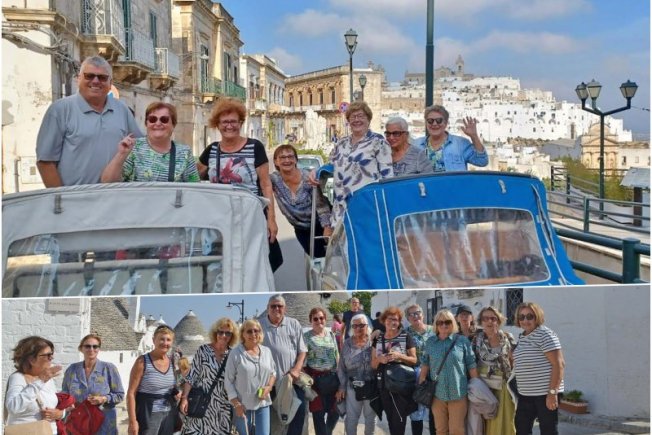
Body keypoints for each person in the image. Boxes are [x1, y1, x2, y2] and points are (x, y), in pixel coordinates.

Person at [197, 97, 282, 271]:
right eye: (224, 122)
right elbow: (192, 177)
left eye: (233, 121)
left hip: (250, 217)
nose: (229, 126)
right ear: (217, 125)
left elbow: (266, 185)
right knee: (224, 264)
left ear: (241, 123)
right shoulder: (212, 150)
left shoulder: (255, 147)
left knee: (253, 263)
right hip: (220, 219)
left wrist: (271, 219)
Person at [36, 55, 142, 187]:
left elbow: (140, 146)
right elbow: (45, 162)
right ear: (79, 79)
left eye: (102, 77)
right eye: (89, 76)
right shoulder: (60, 110)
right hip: (77, 197)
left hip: (114, 195)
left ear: (110, 83)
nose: (96, 81)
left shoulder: (121, 109)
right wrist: (61, 197)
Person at [316, 101, 393, 226]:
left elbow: (387, 176)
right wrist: (316, 173)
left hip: (367, 208)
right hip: (341, 210)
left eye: (361, 116)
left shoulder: (378, 142)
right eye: (353, 117)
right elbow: (329, 167)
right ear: (348, 121)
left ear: (368, 119)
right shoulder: (341, 143)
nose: (357, 120)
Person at [101, 102, 199, 183]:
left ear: (173, 125)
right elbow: (107, 182)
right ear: (146, 123)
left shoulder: (184, 152)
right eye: (152, 119)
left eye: (164, 119)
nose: (158, 123)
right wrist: (121, 154)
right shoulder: (133, 148)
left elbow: (194, 189)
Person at [420, 309, 478, 435]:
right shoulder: (430, 342)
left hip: (458, 393)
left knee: (457, 430)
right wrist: (421, 383)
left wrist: (477, 388)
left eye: (447, 322)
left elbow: (471, 365)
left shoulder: (462, 341)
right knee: (440, 430)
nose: (444, 325)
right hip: (437, 394)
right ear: (436, 325)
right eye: (440, 322)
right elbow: (425, 363)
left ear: (453, 323)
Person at [270, 144, 332, 257]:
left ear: (295, 160)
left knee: (326, 258)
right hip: (300, 229)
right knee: (313, 258)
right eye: (282, 157)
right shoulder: (274, 179)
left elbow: (321, 206)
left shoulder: (308, 178)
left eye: (290, 156)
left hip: (319, 225)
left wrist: (327, 227)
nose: (287, 160)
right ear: (276, 162)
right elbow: (260, 181)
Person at [512, 302, 565, 435]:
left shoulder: (545, 334)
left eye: (530, 316)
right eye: (521, 317)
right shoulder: (523, 336)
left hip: (545, 395)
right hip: (525, 395)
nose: (525, 320)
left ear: (537, 317)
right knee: (521, 429)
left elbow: (559, 364)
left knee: (548, 431)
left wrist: (552, 393)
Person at [259, 294, 307, 435]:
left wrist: (296, 369)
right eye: (273, 306)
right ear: (267, 308)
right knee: (265, 416)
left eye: (279, 306)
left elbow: (303, 350)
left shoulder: (294, 324)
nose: (276, 309)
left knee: (299, 411)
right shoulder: (259, 325)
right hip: (265, 383)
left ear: (285, 308)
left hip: (290, 381)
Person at [180, 318, 239, 434]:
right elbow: (191, 376)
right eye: (220, 332)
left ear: (232, 336)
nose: (223, 335)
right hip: (201, 404)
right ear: (215, 333)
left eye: (228, 333)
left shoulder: (233, 355)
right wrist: (184, 398)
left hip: (223, 408)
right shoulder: (203, 350)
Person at [62, 334, 125, 434]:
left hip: (103, 423)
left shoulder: (108, 368)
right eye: (87, 346)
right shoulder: (72, 369)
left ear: (99, 349)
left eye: (95, 346)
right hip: (78, 422)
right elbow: (64, 394)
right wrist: (68, 404)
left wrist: (104, 398)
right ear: (81, 348)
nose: (91, 349)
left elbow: (120, 395)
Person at [225, 319, 276, 435]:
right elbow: (228, 381)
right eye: (249, 331)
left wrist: (269, 387)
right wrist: (236, 404)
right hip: (242, 407)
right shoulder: (235, 353)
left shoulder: (267, 352)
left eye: (256, 331)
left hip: (263, 405)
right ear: (242, 333)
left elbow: (273, 373)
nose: (253, 334)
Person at [371, 306, 418, 434]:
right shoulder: (378, 339)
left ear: (399, 322)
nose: (392, 322)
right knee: (390, 419)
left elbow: (414, 360)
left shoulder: (405, 336)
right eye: (389, 319)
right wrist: (379, 359)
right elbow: (373, 364)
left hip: (400, 385)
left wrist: (399, 356)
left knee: (399, 419)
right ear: (384, 320)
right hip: (383, 385)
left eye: (395, 320)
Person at [5, 336, 65, 434]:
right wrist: (40, 381)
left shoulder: (48, 380)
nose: (51, 358)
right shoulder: (18, 378)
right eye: (47, 355)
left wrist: (60, 414)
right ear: (32, 360)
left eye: (51, 354)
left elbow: (52, 405)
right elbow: (13, 407)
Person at [127, 325, 180, 435]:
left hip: (168, 415)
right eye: (161, 339)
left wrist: (177, 393)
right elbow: (131, 393)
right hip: (148, 416)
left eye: (168, 340)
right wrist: (132, 421)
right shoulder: (142, 362)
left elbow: (171, 387)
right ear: (153, 340)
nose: (165, 343)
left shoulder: (171, 362)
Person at [472, 306, 516, 435]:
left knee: (505, 420)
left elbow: (514, 362)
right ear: (481, 321)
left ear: (499, 320)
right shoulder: (476, 339)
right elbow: (471, 362)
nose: (489, 321)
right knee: (485, 421)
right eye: (485, 318)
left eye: (493, 318)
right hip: (484, 387)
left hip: (503, 387)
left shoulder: (508, 338)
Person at [336, 313, 377, 435]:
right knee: (351, 419)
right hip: (352, 387)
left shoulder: (374, 342)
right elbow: (341, 367)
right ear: (351, 328)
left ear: (367, 326)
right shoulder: (347, 344)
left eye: (361, 325)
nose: (358, 328)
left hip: (371, 386)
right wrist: (342, 386)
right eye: (355, 326)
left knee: (370, 419)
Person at [415, 105, 488, 173]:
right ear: (426, 123)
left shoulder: (460, 143)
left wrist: (474, 136)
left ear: (446, 123)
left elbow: (482, 161)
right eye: (430, 121)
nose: (434, 124)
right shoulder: (416, 144)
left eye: (439, 120)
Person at [303, 308, 340, 435]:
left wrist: (340, 377)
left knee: (335, 413)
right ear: (311, 321)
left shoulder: (331, 335)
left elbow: (337, 355)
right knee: (318, 415)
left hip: (333, 379)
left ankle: (327, 432)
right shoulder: (306, 337)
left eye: (321, 318)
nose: (319, 321)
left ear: (325, 319)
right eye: (315, 319)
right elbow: (303, 360)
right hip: (316, 382)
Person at [405, 304, 436, 435]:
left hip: (434, 375)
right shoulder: (405, 333)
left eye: (417, 312)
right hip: (415, 376)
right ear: (408, 318)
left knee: (434, 411)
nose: (415, 316)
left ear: (423, 314)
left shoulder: (434, 330)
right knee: (416, 411)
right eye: (411, 314)